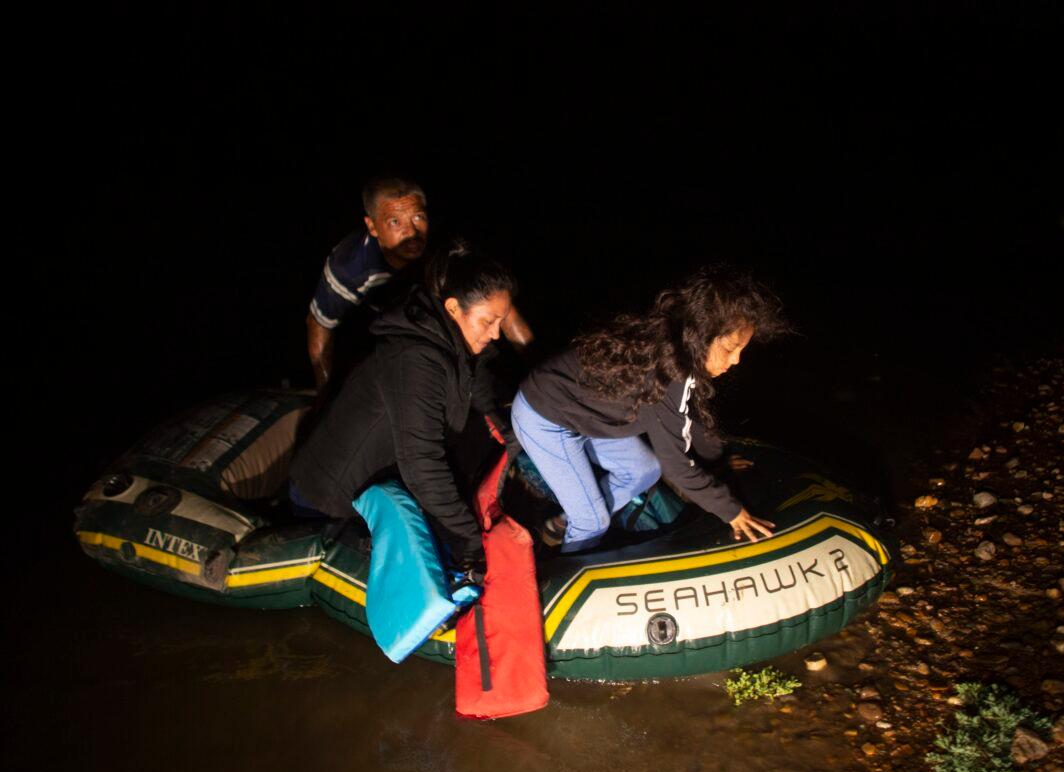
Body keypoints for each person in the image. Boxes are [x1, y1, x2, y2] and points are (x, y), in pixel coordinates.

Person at [511, 267, 788, 553]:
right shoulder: (671, 374)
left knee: (644, 470)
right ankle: (567, 569)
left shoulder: (678, 347)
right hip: (544, 416)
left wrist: (717, 463)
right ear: (702, 336)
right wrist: (732, 512)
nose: (737, 360)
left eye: (741, 349)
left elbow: (688, 422)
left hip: (584, 414)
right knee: (593, 522)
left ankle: (561, 524)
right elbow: (677, 465)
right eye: (731, 348)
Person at [289, 246, 518, 573]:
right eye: (488, 321)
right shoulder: (415, 358)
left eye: (501, 321)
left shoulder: (456, 335)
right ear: (454, 308)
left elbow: (480, 389)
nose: (496, 333)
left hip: (381, 481)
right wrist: (471, 541)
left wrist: (513, 440)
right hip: (329, 499)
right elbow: (422, 465)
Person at [306, 175, 534, 390]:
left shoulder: (446, 246)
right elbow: (319, 325)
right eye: (395, 222)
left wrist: (536, 364)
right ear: (373, 226)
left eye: (418, 217)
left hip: (437, 310)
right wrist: (324, 395)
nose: (412, 232)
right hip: (381, 326)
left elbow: (499, 302)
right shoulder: (348, 268)